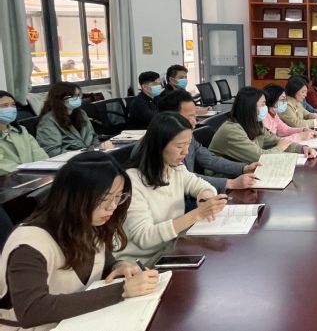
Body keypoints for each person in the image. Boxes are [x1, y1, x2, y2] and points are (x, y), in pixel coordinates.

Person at [0, 152, 160, 329]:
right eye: (105, 198)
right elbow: (32, 310)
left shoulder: (89, 223)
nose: (113, 206)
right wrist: (121, 289)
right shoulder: (29, 244)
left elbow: (105, 264)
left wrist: (119, 267)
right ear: (75, 197)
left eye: (118, 197)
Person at [118, 112, 229, 262]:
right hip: (143, 264)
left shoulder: (175, 169)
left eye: (188, 144)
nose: (186, 152)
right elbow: (144, 237)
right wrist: (196, 214)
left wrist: (205, 196)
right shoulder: (132, 182)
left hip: (172, 250)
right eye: (179, 146)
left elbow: (202, 186)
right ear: (159, 145)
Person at [157, 89, 260, 193]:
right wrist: (230, 183)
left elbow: (210, 159)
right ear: (171, 119)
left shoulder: (189, 137)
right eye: (189, 117)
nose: (194, 122)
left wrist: (244, 168)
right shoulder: (158, 145)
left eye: (195, 116)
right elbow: (186, 179)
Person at [208, 86, 317, 163]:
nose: (266, 108)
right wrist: (280, 148)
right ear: (250, 107)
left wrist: (303, 149)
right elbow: (259, 156)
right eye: (263, 104)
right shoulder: (232, 131)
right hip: (225, 177)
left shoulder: (254, 124)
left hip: (246, 169)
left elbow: (276, 141)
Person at [36, 82, 99, 157]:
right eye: (73, 96)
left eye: (78, 95)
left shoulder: (81, 113)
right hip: (70, 160)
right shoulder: (48, 121)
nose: (77, 99)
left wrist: (97, 150)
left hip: (90, 156)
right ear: (60, 99)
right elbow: (51, 151)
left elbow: (93, 136)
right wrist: (82, 155)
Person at [0, 91, 48, 175]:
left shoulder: (21, 130)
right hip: (7, 180)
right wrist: (27, 172)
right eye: (5, 105)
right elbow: (3, 165)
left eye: (13, 105)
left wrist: (45, 167)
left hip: (31, 176)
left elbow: (38, 152)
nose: (11, 109)